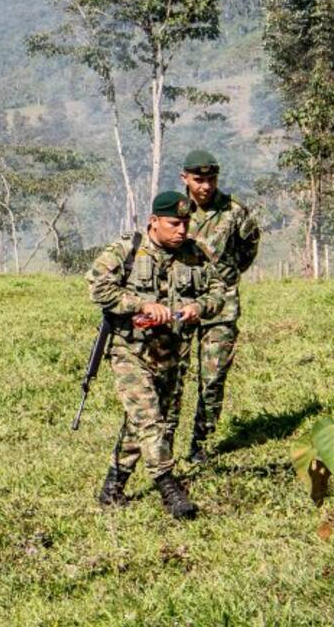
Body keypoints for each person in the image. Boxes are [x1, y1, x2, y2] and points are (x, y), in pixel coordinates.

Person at [87, 191, 229, 519]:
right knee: (149, 419)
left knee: (147, 422)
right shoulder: (127, 249)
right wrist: (140, 305)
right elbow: (97, 287)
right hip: (131, 351)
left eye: (186, 223)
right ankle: (169, 486)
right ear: (154, 221)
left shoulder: (195, 253)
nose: (182, 230)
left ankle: (113, 487)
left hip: (172, 354)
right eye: (174, 223)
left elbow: (219, 291)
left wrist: (199, 307)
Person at [180, 150, 260, 463]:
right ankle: (161, 442)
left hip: (221, 309)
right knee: (171, 380)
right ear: (184, 177)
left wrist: (230, 271)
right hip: (180, 306)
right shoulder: (174, 209)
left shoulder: (235, 211)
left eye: (211, 179)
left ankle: (201, 443)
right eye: (199, 179)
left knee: (212, 378)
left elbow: (249, 246)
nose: (205, 186)